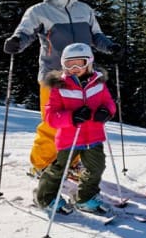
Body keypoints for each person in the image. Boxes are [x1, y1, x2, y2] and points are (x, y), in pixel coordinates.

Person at [3, 0, 122, 176]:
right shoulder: (39, 11)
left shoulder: (84, 10)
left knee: (81, 122)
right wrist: (16, 42)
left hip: (83, 77)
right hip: (54, 77)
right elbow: (25, 33)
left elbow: (97, 36)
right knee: (53, 123)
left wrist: (110, 46)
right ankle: (41, 164)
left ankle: (72, 163)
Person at [34, 43, 116, 214]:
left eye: (80, 63)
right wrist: (72, 117)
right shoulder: (59, 87)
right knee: (59, 169)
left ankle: (85, 198)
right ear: (63, 64)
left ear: (89, 62)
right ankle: (45, 197)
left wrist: (106, 111)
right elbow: (50, 116)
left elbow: (108, 102)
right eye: (69, 64)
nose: (75, 68)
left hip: (93, 136)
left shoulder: (98, 84)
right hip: (69, 138)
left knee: (96, 168)